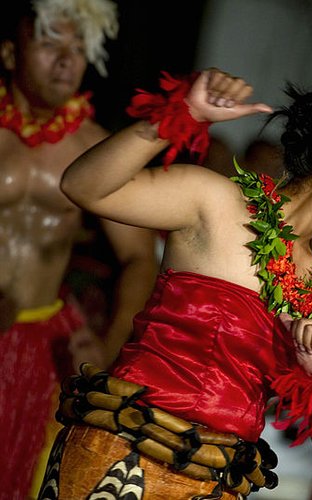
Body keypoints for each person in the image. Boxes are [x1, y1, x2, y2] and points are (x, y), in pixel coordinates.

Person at [35, 56, 312, 498]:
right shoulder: (214, 204)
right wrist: (182, 116)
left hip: (216, 484)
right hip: (118, 455)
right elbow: (83, 186)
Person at [0, 1, 157, 498]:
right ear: (10, 52)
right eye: (50, 45)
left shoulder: (95, 150)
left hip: (45, 343)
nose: (66, 61)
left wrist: (110, 346)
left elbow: (139, 257)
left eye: (77, 48)